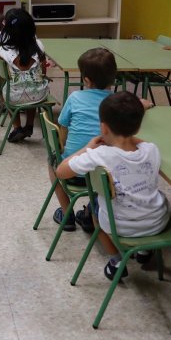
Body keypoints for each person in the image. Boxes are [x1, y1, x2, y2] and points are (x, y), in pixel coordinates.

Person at [55, 92, 170, 282]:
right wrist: (130, 138)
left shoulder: (99, 155)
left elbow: (61, 171)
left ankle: (116, 260)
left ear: (103, 127)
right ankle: (144, 250)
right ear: (139, 127)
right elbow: (144, 144)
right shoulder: (152, 150)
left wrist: (87, 148)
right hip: (157, 222)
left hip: (119, 227)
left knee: (95, 209)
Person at [49, 48, 118, 233]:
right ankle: (90, 213)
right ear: (113, 78)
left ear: (86, 80)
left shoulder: (75, 97)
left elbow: (63, 129)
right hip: (106, 177)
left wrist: (64, 150)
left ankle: (67, 214)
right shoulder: (117, 102)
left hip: (74, 172)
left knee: (53, 162)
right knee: (107, 169)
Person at [0, 8, 48, 143]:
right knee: (33, 85)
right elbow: (43, 73)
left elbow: (3, 77)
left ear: (7, 29)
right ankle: (29, 125)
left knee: (5, 90)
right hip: (39, 95)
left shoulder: (3, 50)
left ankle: (17, 127)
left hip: (13, 97)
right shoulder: (39, 46)